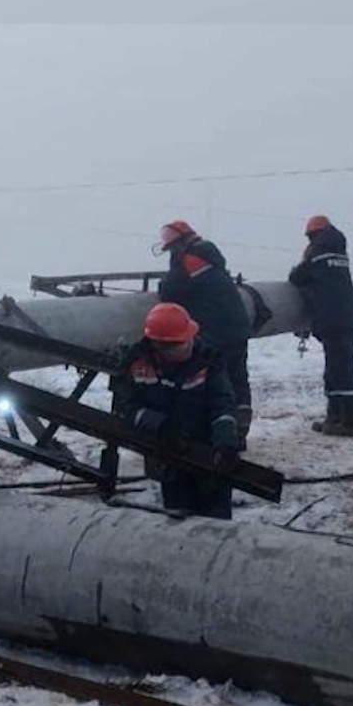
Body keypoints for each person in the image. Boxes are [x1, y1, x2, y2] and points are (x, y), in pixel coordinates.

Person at [110, 303, 242, 519]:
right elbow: (127, 407)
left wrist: (225, 441)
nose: (188, 346)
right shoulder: (136, 365)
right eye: (181, 343)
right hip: (169, 452)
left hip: (208, 450)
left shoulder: (207, 359)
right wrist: (161, 426)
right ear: (159, 346)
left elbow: (222, 402)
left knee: (217, 517)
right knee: (180, 517)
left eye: (189, 338)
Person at [156, 220, 254, 446]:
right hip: (238, 329)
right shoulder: (211, 258)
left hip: (215, 332)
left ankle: (219, 434)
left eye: (171, 250)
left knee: (218, 384)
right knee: (238, 380)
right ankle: (238, 433)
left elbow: (170, 291)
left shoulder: (189, 261)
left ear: (179, 244)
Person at [288, 215, 353, 436]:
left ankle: (349, 422)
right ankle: (336, 418)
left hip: (334, 318)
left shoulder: (318, 254)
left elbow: (297, 277)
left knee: (340, 371)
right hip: (346, 316)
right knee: (339, 369)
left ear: (314, 235)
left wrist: (303, 261)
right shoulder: (338, 252)